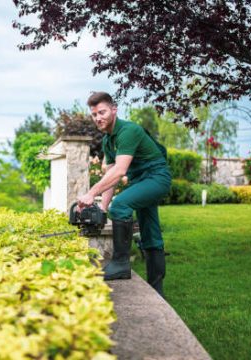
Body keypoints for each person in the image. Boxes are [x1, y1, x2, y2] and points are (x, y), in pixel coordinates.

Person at [77, 91, 171, 298]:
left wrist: (92, 193)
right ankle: (157, 290)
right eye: (94, 115)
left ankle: (120, 263)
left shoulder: (128, 131)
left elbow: (120, 171)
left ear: (114, 110)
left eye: (102, 112)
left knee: (120, 205)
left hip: (157, 177)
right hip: (141, 181)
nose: (98, 118)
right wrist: (102, 208)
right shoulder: (108, 141)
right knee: (150, 233)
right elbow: (112, 175)